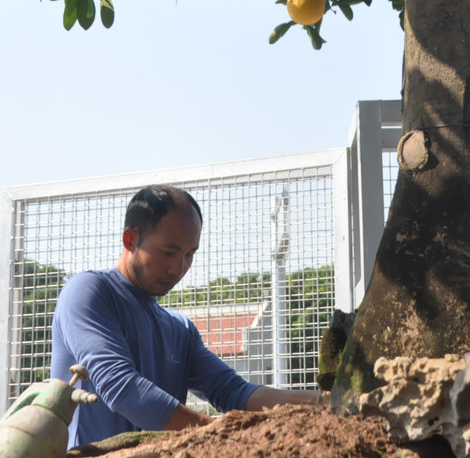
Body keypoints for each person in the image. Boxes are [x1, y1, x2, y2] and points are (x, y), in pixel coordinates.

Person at [50, 185, 319, 446]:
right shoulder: (88, 292)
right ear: (130, 239)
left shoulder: (180, 329)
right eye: (169, 252)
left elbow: (234, 392)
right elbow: (122, 389)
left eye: (189, 255)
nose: (178, 268)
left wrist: (324, 402)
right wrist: (216, 435)